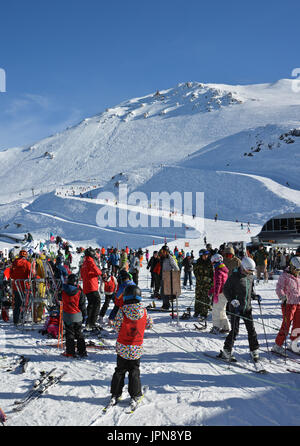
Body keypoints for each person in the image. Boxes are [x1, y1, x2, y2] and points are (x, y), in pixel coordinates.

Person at [110, 285, 153, 404]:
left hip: (123, 346)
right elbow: (149, 324)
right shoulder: (144, 311)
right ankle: (135, 394)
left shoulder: (122, 310)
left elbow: (117, 327)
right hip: (136, 347)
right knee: (134, 370)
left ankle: (115, 393)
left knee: (120, 370)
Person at [219, 257, 260, 361]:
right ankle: (226, 350)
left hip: (247, 307)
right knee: (235, 330)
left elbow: (250, 290)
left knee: (251, 329)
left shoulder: (250, 276)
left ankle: (254, 349)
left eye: (252, 271)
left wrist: (254, 295)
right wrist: (232, 300)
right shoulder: (234, 276)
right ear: (243, 267)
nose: (250, 272)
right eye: (249, 270)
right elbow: (226, 290)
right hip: (236, 307)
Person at [272, 256, 300, 356]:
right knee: (286, 325)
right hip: (288, 304)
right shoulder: (284, 276)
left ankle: (294, 343)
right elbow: (279, 288)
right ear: (291, 266)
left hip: (298, 304)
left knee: (298, 325)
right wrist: (282, 296)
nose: (297, 272)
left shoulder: (299, 276)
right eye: (296, 269)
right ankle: (277, 345)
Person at [61, 274, 87, 358]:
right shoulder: (79, 292)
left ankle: (70, 352)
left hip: (67, 315)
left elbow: (58, 298)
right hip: (77, 315)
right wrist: (85, 315)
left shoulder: (63, 291)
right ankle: (82, 351)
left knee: (69, 334)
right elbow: (82, 305)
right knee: (79, 333)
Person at [80, 247, 102, 330]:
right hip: (92, 285)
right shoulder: (90, 261)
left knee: (91, 304)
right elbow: (97, 271)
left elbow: (82, 274)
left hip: (86, 286)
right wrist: (100, 273)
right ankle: (92, 322)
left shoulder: (84, 262)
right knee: (97, 302)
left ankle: (88, 322)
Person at [10, 249, 33, 326]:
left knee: (16, 303)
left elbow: (11, 275)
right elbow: (31, 274)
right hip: (24, 287)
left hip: (16, 286)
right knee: (24, 303)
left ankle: (15, 320)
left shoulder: (14, 263)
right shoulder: (27, 263)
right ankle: (22, 318)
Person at [209, 254, 230, 334]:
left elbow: (218, 284)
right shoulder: (223, 269)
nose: (212, 265)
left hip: (220, 294)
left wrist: (216, 295)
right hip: (224, 293)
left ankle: (216, 327)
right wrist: (211, 290)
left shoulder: (218, 270)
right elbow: (219, 283)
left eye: (212, 263)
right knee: (221, 311)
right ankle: (226, 327)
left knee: (216, 311)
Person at [193, 249, 214, 319]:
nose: (206, 256)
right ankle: (197, 311)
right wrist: (206, 279)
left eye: (207, 255)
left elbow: (212, 274)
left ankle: (204, 313)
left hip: (207, 285)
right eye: (204, 255)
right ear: (201, 255)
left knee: (206, 298)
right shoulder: (197, 263)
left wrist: (211, 281)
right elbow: (196, 274)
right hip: (199, 284)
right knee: (198, 297)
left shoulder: (210, 263)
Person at [159, 245, 180, 310]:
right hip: (163, 277)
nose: (163, 252)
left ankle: (166, 305)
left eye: (164, 251)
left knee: (165, 292)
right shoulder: (163, 258)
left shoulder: (170, 258)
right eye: (162, 251)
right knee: (162, 292)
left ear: (167, 252)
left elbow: (176, 268)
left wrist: (173, 275)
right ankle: (165, 304)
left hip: (168, 277)